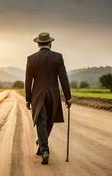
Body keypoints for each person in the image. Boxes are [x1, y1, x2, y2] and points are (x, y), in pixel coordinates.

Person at [25, 32, 72, 165]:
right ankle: (42, 146)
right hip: (53, 95)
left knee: (41, 121)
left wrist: (28, 99)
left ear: (38, 44)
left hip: (38, 95)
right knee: (49, 120)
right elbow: (63, 78)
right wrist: (68, 97)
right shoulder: (57, 57)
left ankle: (44, 149)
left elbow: (28, 81)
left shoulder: (31, 58)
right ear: (50, 43)